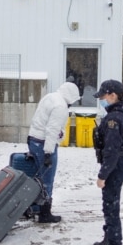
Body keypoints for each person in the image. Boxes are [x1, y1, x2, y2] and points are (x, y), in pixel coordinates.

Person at [91, 79, 123, 245]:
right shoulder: (120, 113)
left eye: (103, 96)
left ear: (113, 96)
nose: (101, 99)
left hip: (115, 165)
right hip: (118, 163)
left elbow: (111, 150)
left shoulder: (114, 119)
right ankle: (109, 239)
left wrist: (103, 175)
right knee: (109, 203)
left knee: (111, 206)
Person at [27, 81, 81, 223]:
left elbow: (40, 120)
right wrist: (48, 153)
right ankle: (45, 213)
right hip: (44, 144)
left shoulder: (50, 97)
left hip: (34, 139)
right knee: (47, 179)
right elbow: (52, 130)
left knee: (37, 176)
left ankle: (36, 206)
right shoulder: (61, 106)